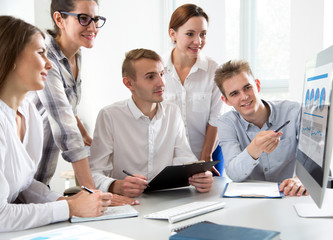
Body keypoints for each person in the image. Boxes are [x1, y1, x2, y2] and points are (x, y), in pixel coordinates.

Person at [0, 16, 112, 232]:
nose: (49, 64)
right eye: (41, 53)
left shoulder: (29, 112)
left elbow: (23, 185)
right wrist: (69, 208)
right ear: (12, 55)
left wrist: (66, 201)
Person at [89, 48, 213, 198]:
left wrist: (200, 176)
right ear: (129, 84)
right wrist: (116, 185)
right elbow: (93, 173)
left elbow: (185, 158)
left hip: (166, 199)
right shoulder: (109, 116)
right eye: (150, 77)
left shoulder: (173, 112)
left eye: (162, 74)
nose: (161, 83)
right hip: (127, 203)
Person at [30, 0, 101, 188]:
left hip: (40, 180)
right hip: (24, 176)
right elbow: (65, 125)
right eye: (84, 19)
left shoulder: (76, 54)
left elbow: (69, 109)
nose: (93, 27)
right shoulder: (45, 58)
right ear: (59, 19)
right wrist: (92, 192)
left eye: (95, 19)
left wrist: (86, 137)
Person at [215, 60, 308, 196]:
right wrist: (255, 148)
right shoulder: (226, 123)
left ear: (257, 85)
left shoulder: (294, 112)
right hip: (250, 201)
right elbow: (233, 173)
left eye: (247, 87)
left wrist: (301, 179)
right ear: (226, 100)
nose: (244, 97)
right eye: (234, 94)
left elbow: (313, 159)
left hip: (290, 195)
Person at [164, 4, 224, 175]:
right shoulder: (158, 69)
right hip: (168, 159)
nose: (198, 42)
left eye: (203, 34)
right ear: (173, 34)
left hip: (207, 153)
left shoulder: (214, 70)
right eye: (190, 34)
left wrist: (204, 159)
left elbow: (215, 119)